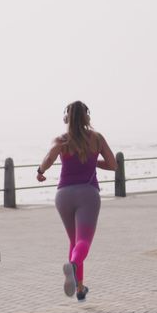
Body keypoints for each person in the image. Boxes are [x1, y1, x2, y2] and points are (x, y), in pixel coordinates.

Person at [35, 101, 117, 301]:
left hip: (63, 195)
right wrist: (90, 160)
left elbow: (48, 159)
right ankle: (72, 266)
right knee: (83, 242)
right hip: (87, 194)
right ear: (87, 116)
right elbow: (113, 165)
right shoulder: (96, 138)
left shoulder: (61, 140)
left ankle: (79, 288)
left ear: (66, 118)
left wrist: (40, 172)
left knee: (73, 240)